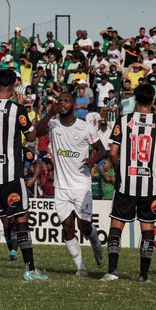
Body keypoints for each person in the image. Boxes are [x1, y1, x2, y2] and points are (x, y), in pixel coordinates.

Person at [0, 69, 48, 281]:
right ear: (14, 86)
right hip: (11, 174)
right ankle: (29, 269)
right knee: (21, 217)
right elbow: (31, 135)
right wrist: (46, 116)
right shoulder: (16, 109)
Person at [100, 84, 156, 283]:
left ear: (136, 100)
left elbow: (113, 152)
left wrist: (118, 171)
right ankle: (144, 275)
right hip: (149, 185)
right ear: (152, 100)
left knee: (117, 224)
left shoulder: (124, 121)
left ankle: (112, 271)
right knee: (148, 228)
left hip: (126, 182)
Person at [36, 92, 106, 275]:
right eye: (60, 100)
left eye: (66, 100)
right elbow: (35, 133)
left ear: (74, 104)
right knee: (67, 227)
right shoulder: (53, 124)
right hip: (61, 187)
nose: (63, 103)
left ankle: (96, 244)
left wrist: (93, 160)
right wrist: (50, 113)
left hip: (81, 186)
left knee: (84, 226)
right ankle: (80, 267)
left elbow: (101, 150)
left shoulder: (85, 128)